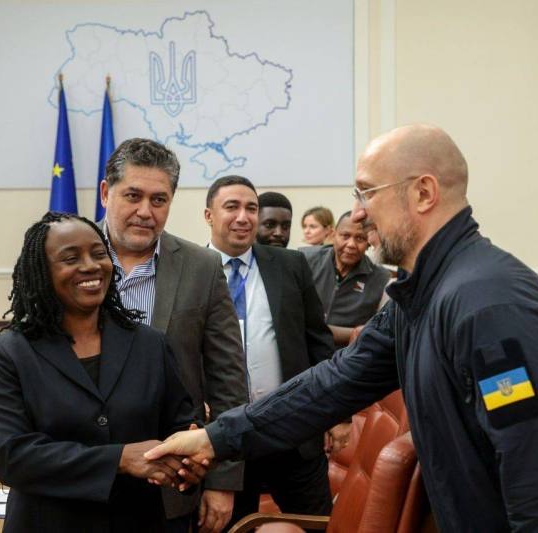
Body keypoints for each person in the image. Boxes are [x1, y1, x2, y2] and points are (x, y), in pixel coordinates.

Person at [147, 125, 538, 532]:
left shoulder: (487, 305)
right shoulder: (419, 294)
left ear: (423, 193)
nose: (358, 214)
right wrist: (216, 437)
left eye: (367, 192)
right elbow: (332, 383)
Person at [0, 212, 206, 532]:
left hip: (138, 521)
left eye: (99, 253)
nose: (90, 266)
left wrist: (188, 462)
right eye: (71, 258)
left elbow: (180, 424)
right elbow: (9, 454)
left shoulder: (150, 344)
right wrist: (120, 459)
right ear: (41, 271)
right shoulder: (10, 353)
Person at [99, 138, 247, 533]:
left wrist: (222, 481)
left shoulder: (202, 267)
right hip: (85, 484)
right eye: (133, 196)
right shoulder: (67, 258)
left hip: (174, 483)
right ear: (106, 193)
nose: (145, 211)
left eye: (159, 200)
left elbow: (228, 381)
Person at [204, 175, 351, 528]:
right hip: (226, 441)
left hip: (293, 433)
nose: (243, 217)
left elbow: (318, 341)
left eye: (251, 208)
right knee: (235, 527)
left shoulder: (290, 265)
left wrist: (338, 415)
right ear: (209, 215)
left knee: (317, 523)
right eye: (232, 207)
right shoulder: (191, 270)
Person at [300, 211, 390, 346]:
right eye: (345, 236)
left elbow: (378, 331)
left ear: (368, 242)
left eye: (360, 238)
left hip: (346, 355)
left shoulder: (381, 278)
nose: (351, 244)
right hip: (304, 350)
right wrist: (352, 333)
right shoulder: (305, 260)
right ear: (333, 235)